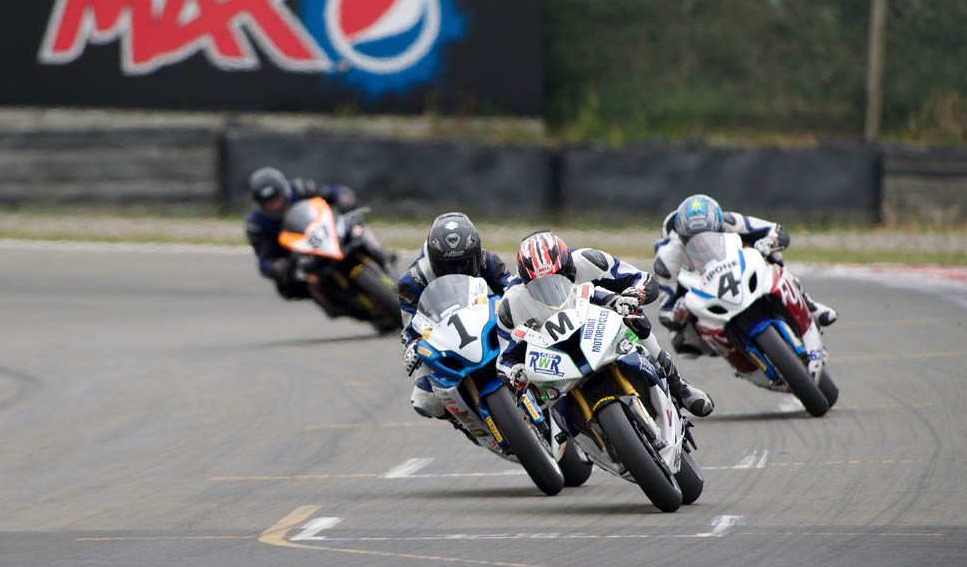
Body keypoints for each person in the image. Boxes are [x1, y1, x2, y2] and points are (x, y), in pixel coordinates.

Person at [495, 231, 714, 418]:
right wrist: (515, 371)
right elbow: (504, 358)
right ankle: (558, 433)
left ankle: (679, 386)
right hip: (555, 352)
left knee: (634, 315)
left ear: (568, 264)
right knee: (529, 387)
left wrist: (633, 295)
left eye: (558, 277)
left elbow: (642, 278)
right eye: (539, 285)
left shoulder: (589, 260)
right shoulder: (512, 301)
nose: (550, 287)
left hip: (597, 323)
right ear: (524, 281)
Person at [653, 194, 838, 357]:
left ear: (719, 225)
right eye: (692, 239)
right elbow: (665, 310)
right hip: (700, 289)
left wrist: (768, 242)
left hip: (738, 266)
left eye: (708, 235)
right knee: (682, 343)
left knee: (773, 257)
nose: (702, 244)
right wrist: (679, 312)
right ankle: (732, 352)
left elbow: (776, 230)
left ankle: (810, 307)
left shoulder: (731, 221)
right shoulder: (667, 256)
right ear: (680, 237)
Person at [398, 212, 517, 419]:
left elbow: (513, 291)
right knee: (426, 402)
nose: (458, 270)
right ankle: (464, 421)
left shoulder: (487, 260)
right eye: (448, 266)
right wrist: (410, 346)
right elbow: (410, 326)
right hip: (440, 335)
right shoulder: (413, 280)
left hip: (484, 321)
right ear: (433, 261)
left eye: (465, 263)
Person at [244, 166, 385, 318]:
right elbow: (264, 260)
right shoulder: (256, 225)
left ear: (284, 192)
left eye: (276, 199)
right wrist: (278, 266)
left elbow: (334, 192)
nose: (275, 206)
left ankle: (381, 256)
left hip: (326, 231)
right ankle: (340, 305)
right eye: (269, 203)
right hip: (300, 255)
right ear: (260, 204)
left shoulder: (300, 188)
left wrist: (344, 199)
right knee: (286, 288)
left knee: (356, 228)